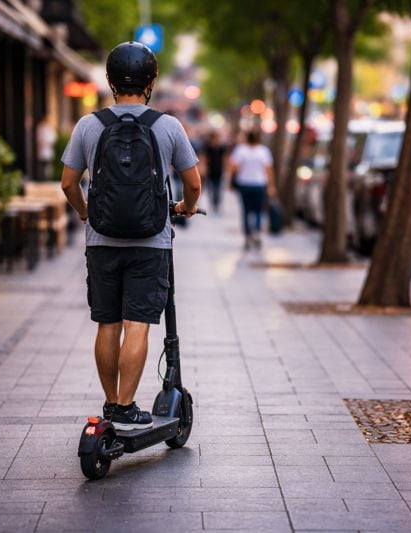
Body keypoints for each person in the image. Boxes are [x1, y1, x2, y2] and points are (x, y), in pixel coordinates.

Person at [60, 41, 202, 431]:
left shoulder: (89, 125)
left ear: (110, 81)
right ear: (151, 81)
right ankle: (126, 406)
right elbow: (193, 182)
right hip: (150, 242)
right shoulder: (167, 126)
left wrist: (85, 212)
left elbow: (69, 183)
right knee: (136, 323)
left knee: (107, 323)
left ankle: (111, 405)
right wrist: (186, 207)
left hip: (101, 240)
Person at [228, 130, 276, 249]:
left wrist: (231, 180)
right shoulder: (263, 151)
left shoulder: (240, 150)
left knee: (246, 210)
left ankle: (248, 235)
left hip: (244, 183)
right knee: (258, 210)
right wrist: (271, 185)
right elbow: (268, 169)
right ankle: (257, 233)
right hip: (259, 184)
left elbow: (233, 167)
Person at [202, 130, 227, 213]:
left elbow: (224, 159)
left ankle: (217, 202)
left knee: (218, 188)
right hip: (211, 171)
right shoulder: (208, 148)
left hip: (219, 171)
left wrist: (225, 169)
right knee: (211, 188)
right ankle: (213, 202)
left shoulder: (222, 148)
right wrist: (205, 168)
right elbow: (206, 159)